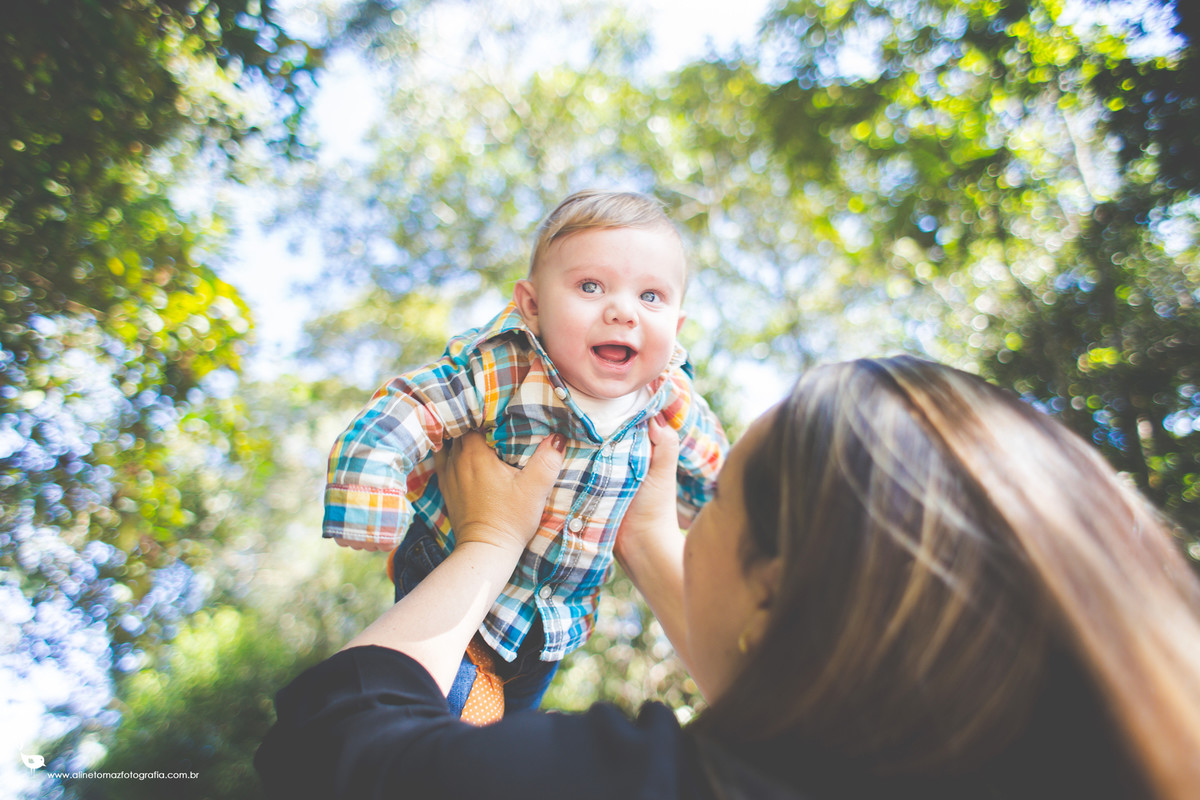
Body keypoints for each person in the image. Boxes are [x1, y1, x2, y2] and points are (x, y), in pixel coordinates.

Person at [258, 356, 1200, 799]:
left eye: (716, 512)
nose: (686, 533)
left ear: (776, 589)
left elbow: (325, 756)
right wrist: (653, 541)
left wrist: (489, 543)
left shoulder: (649, 786)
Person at [321, 189, 727, 721]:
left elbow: (713, 463)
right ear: (532, 306)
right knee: (436, 730)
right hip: (452, 572)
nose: (622, 311)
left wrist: (708, 520)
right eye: (590, 286)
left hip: (552, 623)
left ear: (675, 327)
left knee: (502, 738)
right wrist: (368, 488)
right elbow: (411, 407)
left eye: (651, 296)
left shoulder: (667, 398)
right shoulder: (506, 368)